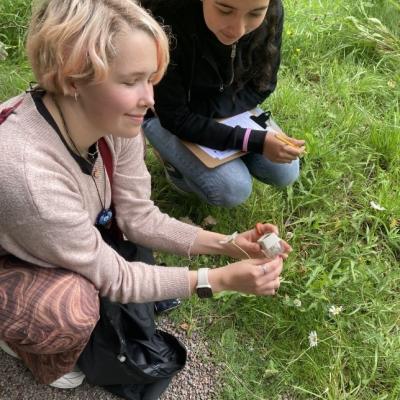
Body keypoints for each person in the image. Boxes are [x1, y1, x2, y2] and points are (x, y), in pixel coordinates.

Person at [0, 0, 291, 393]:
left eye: (152, 79)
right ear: (72, 78)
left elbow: (139, 218)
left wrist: (229, 246)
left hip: (43, 227)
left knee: (117, 244)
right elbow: (115, 278)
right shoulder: (28, 172)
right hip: (14, 243)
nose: (150, 99)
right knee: (68, 310)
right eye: (130, 81)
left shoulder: (112, 121)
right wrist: (217, 281)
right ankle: (22, 340)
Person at [141, 0, 306, 207]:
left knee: (285, 171)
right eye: (224, 10)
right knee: (232, 188)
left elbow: (263, 85)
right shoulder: (166, 19)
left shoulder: (272, 11)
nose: (238, 29)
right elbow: (174, 116)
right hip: (163, 115)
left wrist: (210, 115)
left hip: (212, 106)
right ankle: (174, 168)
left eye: (255, 13)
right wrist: (253, 140)